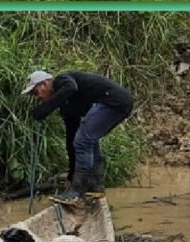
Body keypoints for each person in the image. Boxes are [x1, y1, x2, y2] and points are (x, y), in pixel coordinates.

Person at [22, 70, 134, 203]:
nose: (37, 98)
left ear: (44, 84)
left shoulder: (61, 80)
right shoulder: (66, 106)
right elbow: (71, 141)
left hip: (113, 101)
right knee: (86, 141)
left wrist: (45, 108)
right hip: (117, 103)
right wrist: (70, 177)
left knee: (84, 141)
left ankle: (77, 192)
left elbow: (71, 87)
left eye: (35, 92)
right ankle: (94, 187)